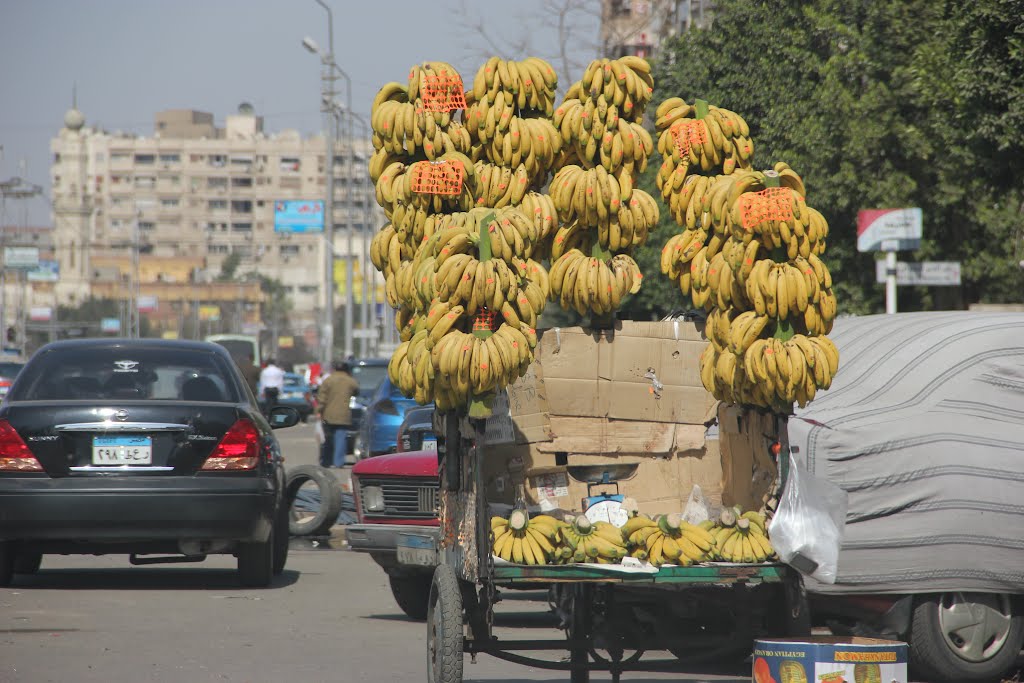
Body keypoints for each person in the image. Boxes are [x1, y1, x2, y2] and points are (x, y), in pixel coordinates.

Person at [316, 359, 359, 467]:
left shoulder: (328, 380)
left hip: (328, 414)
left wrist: (318, 411)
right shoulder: (350, 381)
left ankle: (326, 461)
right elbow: (356, 391)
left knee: (328, 439)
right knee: (341, 439)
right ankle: (339, 462)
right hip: (343, 415)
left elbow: (322, 398)